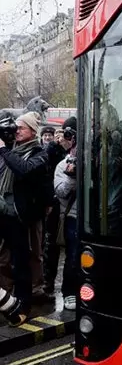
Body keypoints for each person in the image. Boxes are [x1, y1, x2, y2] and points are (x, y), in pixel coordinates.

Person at [0, 112, 50, 325]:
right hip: (3, 212)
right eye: (14, 128)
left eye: (21, 128)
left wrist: (3, 149)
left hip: (20, 215)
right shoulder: (10, 150)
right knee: (3, 259)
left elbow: (24, 170)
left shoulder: (40, 153)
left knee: (22, 261)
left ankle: (23, 303)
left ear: (32, 131)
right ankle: (6, 298)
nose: (16, 131)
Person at [43, 117, 76, 295]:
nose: (67, 139)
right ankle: (50, 285)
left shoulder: (89, 158)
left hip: (80, 214)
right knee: (54, 249)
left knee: (75, 255)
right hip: (60, 210)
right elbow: (61, 190)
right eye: (66, 134)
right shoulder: (55, 156)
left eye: (71, 135)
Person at [54, 130, 78, 311]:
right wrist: (72, 177)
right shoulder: (63, 165)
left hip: (94, 217)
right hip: (73, 217)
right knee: (72, 257)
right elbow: (61, 192)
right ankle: (69, 292)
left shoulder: (95, 163)